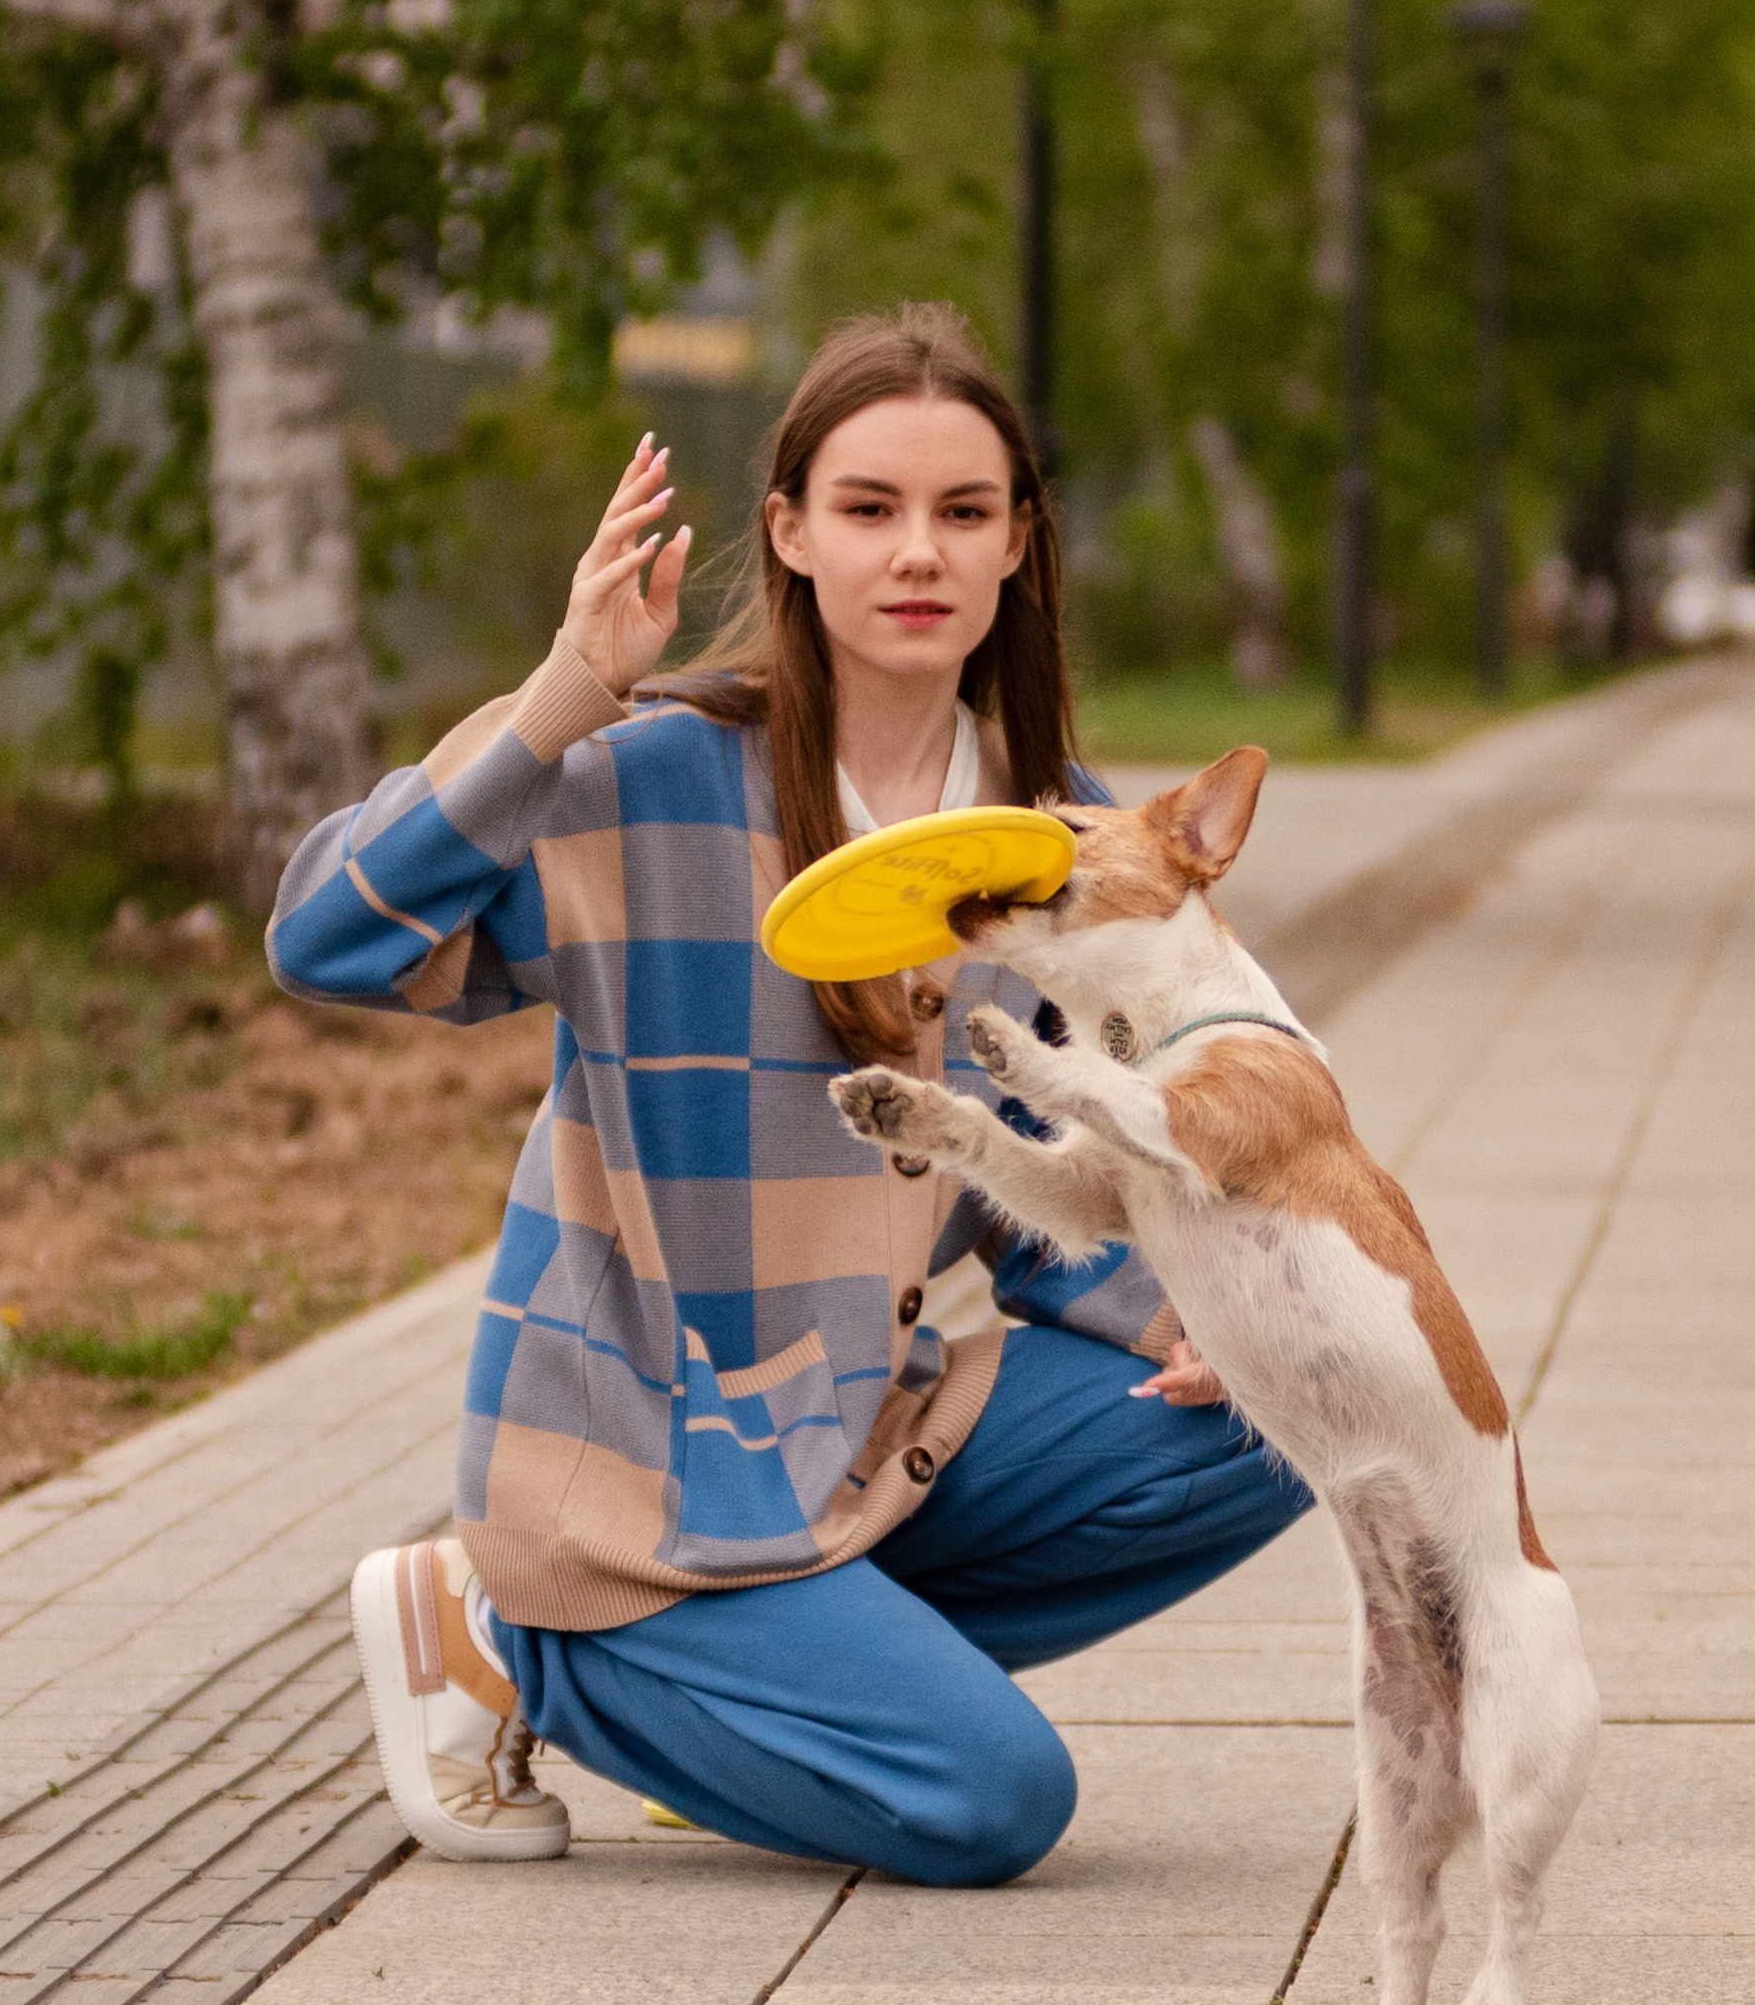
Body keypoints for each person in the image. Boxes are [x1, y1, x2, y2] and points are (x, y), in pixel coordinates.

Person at [269, 305, 1310, 1887]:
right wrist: (562, 693)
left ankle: (764, 1715)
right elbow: (329, 939)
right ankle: (499, 1636)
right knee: (989, 1805)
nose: (919, 553)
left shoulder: (1057, 837)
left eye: (963, 513)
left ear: (1021, 541)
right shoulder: (643, 778)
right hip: (647, 1457)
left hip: (866, 1416)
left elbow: (1013, 1171)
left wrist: (1173, 1309)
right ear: (790, 533)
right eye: (869, 508)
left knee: (1282, 1400)